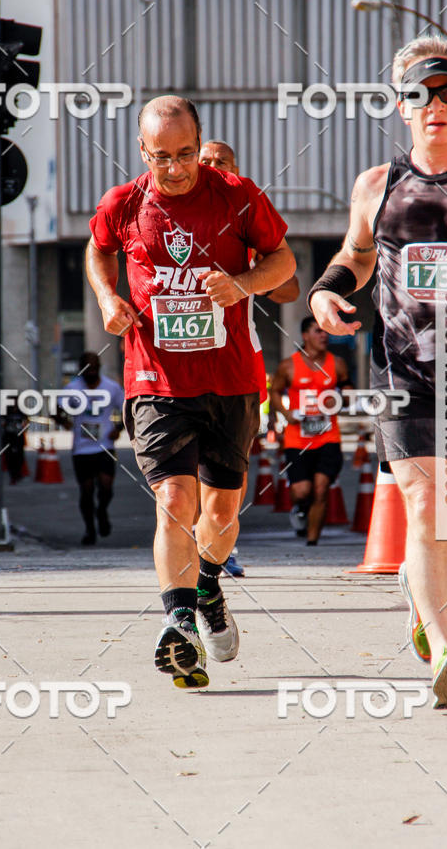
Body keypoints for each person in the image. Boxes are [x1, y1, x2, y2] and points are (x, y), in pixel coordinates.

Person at [308, 36, 447, 710]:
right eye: (422, 93)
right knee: (423, 506)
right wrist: (327, 290)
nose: (436, 105)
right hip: (404, 371)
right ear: (402, 107)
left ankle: (421, 600)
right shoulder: (377, 186)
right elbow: (356, 255)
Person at [86, 96, 296, 689]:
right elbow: (98, 249)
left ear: (199, 142)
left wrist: (241, 284)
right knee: (175, 499)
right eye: (162, 157)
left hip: (230, 381)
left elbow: (283, 262)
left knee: (222, 511)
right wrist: (108, 298)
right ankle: (179, 625)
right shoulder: (122, 203)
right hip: (156, 379)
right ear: (141, 150)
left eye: (184, 154)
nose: (175, 168)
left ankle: (208, 587)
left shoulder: (237, 196)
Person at [199, 139, 300, 574]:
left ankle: (222, 545)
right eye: (206, 160)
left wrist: (247, 279)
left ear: (236, 169)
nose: (214, 166)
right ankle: (191, 546)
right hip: (179, 358)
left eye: (223, 161)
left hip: (240, 355)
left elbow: (290, 287)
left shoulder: (244, 215)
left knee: (228, 460)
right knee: (181, 467)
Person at [270, 317, 350, 545]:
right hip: (298, 438)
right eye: (318, 331)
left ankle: (312, 541)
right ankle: (300, 509)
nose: (324, 335)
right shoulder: (288, 365)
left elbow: (347, 386)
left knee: (322, 488)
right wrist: (286, 415)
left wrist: (344, 395)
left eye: (325, 332)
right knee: (303, 491)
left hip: (328, 436)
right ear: (305, 336)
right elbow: (274, 391)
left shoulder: (338, 363)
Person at [56, 352, 124, 545]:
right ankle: (90, 530)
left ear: (99, 367)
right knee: (86, 491)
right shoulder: (72, 389)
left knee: (106, 487)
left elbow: (129, 409)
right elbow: (56, 409)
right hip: (81, 448)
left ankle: (101, 511)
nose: (91, 371)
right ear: (81, 370)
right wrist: (64, 421)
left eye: (94, 367)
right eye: (87, 368)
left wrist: (118, 428)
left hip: (105, 446)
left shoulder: (111, 387)